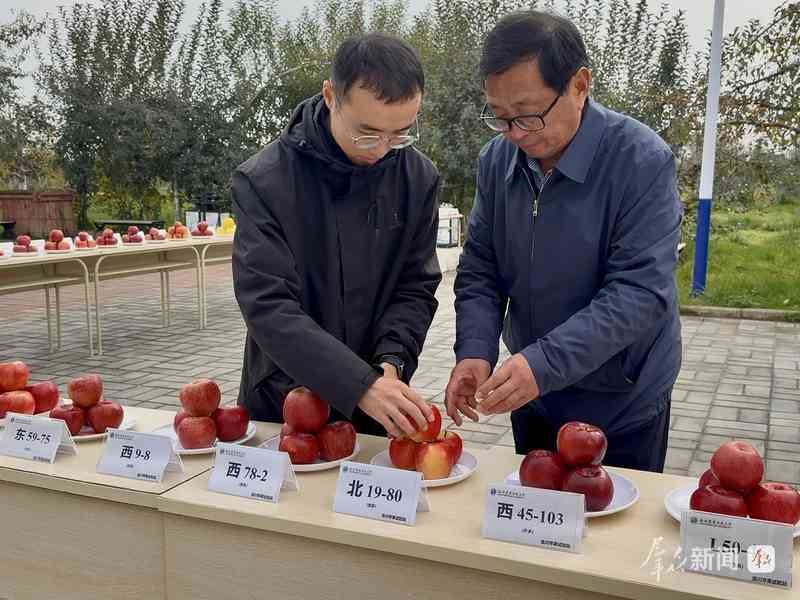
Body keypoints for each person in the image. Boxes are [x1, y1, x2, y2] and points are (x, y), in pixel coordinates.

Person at [445, 10, 683, 472]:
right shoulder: (498, 161)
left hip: (621, 399)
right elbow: (480, 267)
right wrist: (475, 349)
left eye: (528, 115)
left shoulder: (642, 161)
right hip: (534, 395)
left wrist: (543, 364)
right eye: (499, 117)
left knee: (613, 532)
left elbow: (638, 292)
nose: (514, 133)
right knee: (537, 527)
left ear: (579, 85)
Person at [232, 32, 441, 438]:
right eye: (367, 132)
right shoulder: (264, 180)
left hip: (380, 403)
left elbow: (416, 284)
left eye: (400, 133)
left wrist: (393, 358)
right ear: (331, 96)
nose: (383, 148)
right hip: (285, 399)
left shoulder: (417, 176)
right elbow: (267, 304)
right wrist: (357, 383)